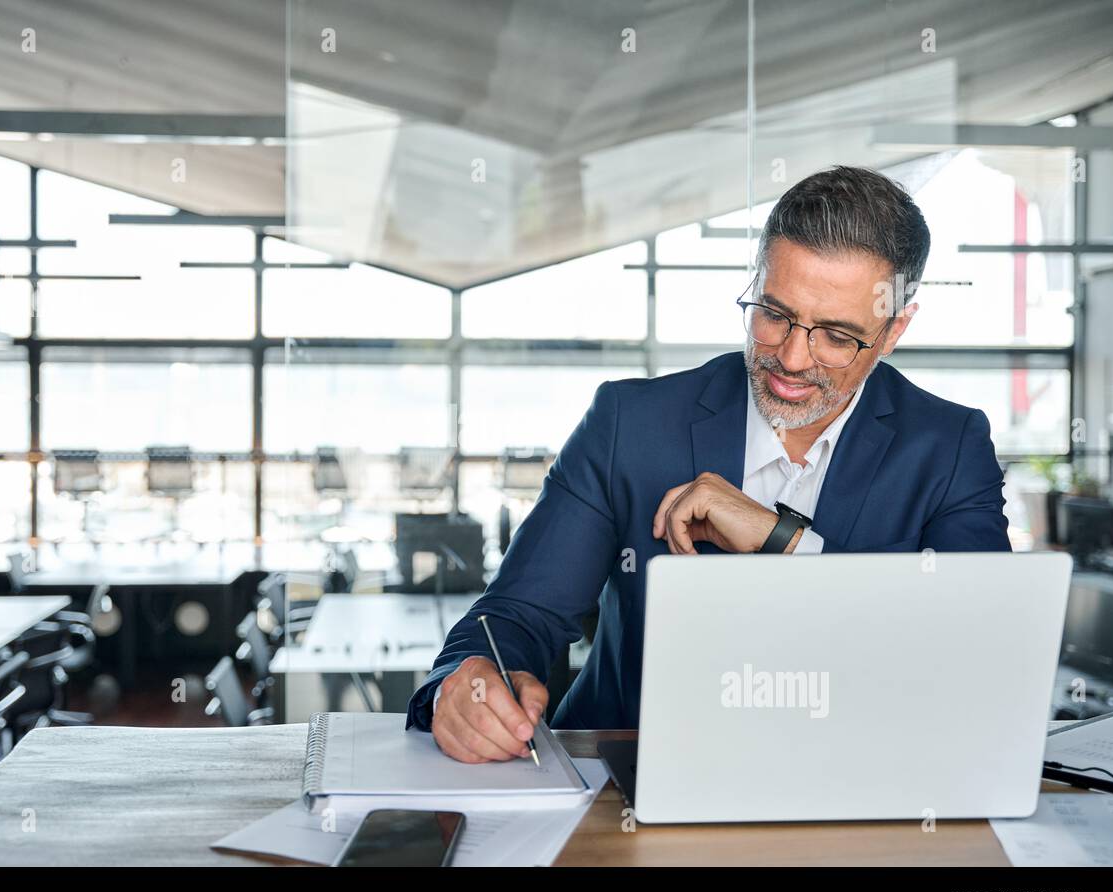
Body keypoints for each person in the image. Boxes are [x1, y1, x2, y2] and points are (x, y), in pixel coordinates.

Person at [408, 165, 1010, 763]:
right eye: (774, 313)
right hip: (623, 784)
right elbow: (518, 614)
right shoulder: (629, 424)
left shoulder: (949, 447)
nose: (793, 358)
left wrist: (784, 542)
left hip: (856, 780)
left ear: (894, 329)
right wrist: (465, 686)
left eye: (835, 335)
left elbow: (972, 655)